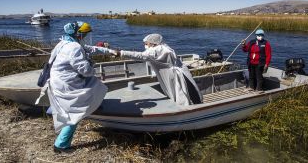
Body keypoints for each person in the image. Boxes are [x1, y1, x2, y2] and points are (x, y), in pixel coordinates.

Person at [46, 21, 116, 153]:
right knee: (75, 114)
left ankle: (54, 110)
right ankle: (60, 146)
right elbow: (86, 71)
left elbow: (90, 49)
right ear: (79, 35)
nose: (85, 38)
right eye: (84, 35)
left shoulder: (63, 42)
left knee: (94, 87)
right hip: (67, 84)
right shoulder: (74, 47)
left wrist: (107, 50)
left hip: (58, 82)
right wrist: (91, 63)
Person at [115, 33, 203, 106]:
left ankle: (187, 109)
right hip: (181, 70)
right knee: (188, 89)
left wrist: (121, 53)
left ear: (153, 43)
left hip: (175, 74)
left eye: (146, 43)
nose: (145, 45)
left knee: (179, 91)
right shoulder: (164, 46)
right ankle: (196, 104)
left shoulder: (156, 50)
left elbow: (140, 55)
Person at [242, 29, 272, 93]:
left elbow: (268, 55)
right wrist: (244, 45)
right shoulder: (251, 42)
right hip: (251, 62)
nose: (260, 36)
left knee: (259, 76)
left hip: (260, 63)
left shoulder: (266, 44)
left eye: (261, 35)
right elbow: (245, 50)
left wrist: (266, 64)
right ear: (256, 35)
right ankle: (251, 87)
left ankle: (259, 89)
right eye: (258, 35)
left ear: (263, 35)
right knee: (251, 75)